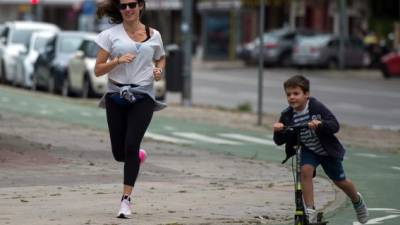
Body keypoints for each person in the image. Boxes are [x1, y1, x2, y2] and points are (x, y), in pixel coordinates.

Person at [94, 0, 166, 218]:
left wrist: (158, 71)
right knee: (119, 152)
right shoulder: (110, 35)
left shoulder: (154, 35)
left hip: (143, 96)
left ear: (141, 6)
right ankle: (136, 156)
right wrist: (117, 61)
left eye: (132, 5)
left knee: (131, 144)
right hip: (116, 96)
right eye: (123, 6)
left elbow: (160, 57)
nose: (128, 9)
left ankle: (125, 201)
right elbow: (97, 70)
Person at [272, 75, 369, 224]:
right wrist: (278, 130)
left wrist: (320, 124)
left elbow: (334, 125)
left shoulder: (316, 107)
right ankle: (310, 209)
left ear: (306, 94)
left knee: (340, 181)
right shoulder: (287, 115)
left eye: (296, 93)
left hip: (327, 151)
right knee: (305, 171)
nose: (292, 97)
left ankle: (357, 201)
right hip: (309, 150)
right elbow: (279, 141)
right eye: (288, 94)